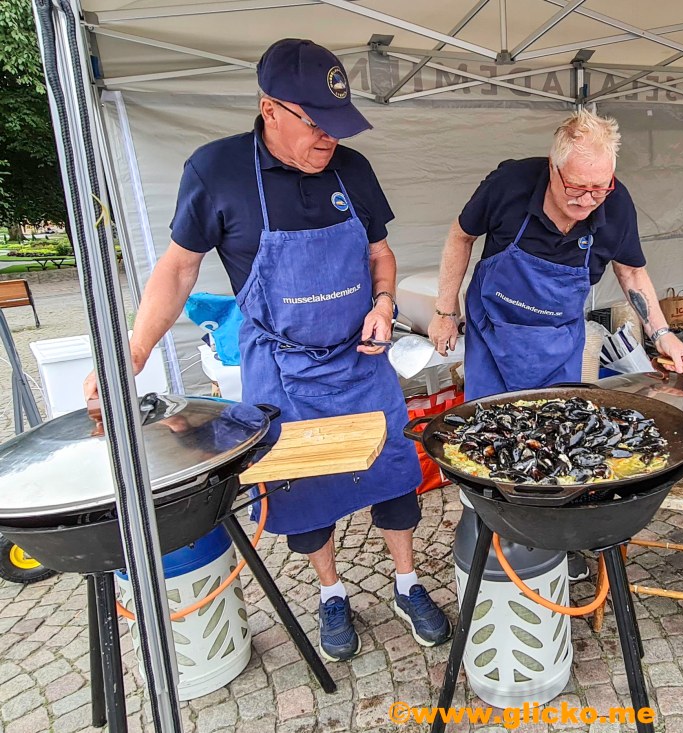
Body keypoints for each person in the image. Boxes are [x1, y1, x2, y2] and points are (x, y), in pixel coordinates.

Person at [84, 39, 451, 661]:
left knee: (392, 473)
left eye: (338, 124)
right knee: (301, 492)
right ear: (270, 109)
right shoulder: (217, 171)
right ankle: (331, 593)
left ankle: (407, 582)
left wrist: (384, 303)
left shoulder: (353, 169)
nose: (329, 137)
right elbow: (177, 269)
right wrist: (135, 350)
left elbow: (380, 253)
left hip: (360, 362)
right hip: (281, 369)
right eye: (315, 122)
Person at [427, 109, 683, 579]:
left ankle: (553, 536)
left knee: (558, 436)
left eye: (600, 188)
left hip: (556, 342)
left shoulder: (615, 204)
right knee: (488, 434)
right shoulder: (509, 184)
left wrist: (662, 333)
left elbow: (632, 272)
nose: (588, 200)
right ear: (553, 168)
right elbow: (461, 235)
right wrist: (445, 310)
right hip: (494, 336)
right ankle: (488, 524)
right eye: (577, 187)